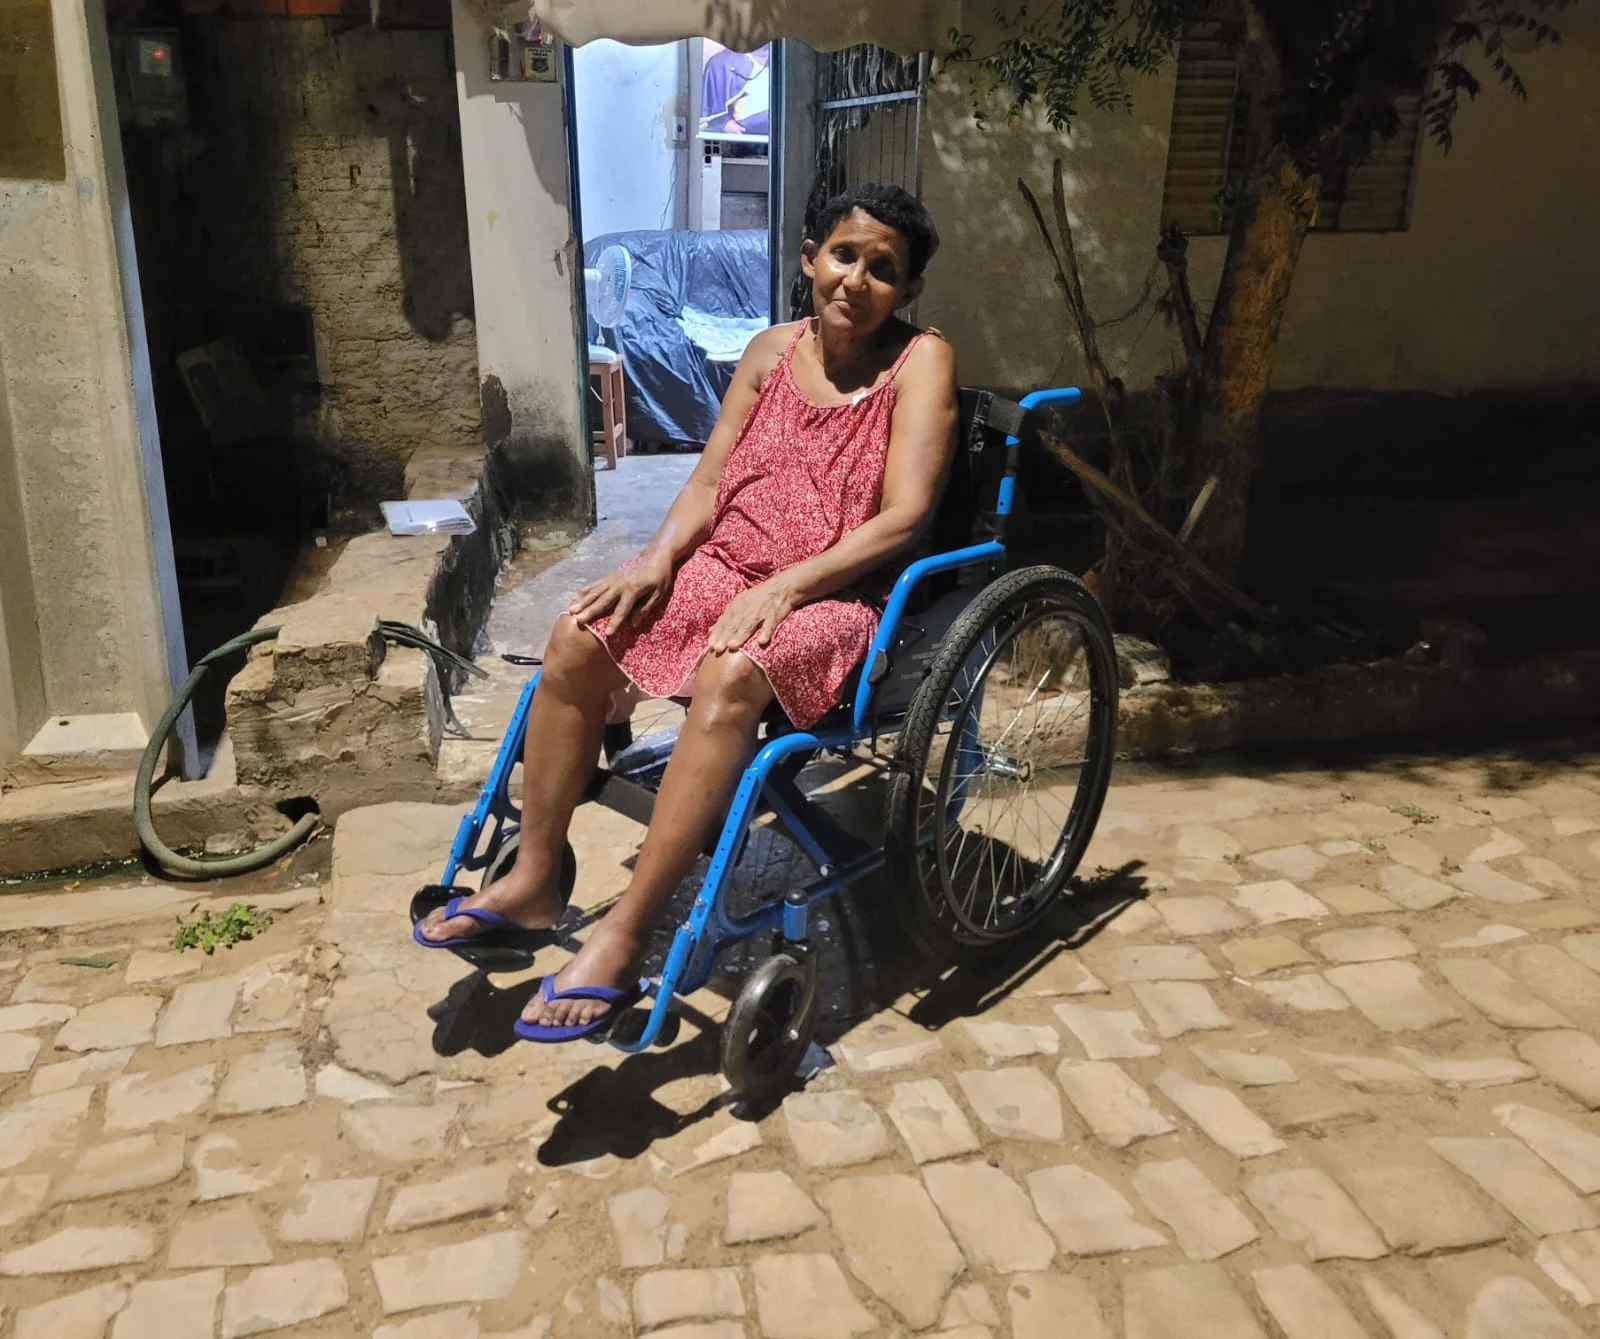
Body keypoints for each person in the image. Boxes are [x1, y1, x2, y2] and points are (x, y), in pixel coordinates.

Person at [416, 183, 958, 1040]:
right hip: (725, 566)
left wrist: (787, 586)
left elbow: (905, 515)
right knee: (578, 635)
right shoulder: (770, 351)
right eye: (844, 255)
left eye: (883, 268)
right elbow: (708, 482)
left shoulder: (921, 361)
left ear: (909, 288)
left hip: (838, 593)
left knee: (733, 670)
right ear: (810, 258)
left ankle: (625, 935)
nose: (857, 279)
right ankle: (533, 879)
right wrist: (655, 560)